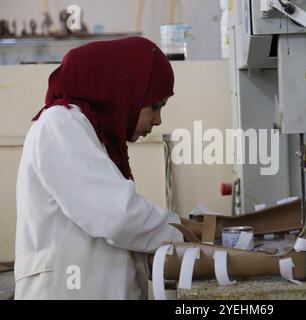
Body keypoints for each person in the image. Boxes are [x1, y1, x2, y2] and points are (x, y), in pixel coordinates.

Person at [14, 36, 199, 300]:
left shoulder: (93, 134)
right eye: (154, 106)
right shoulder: (60, 125)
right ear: (127, 89)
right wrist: (184, 232)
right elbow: (117, 215)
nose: (158, 120)